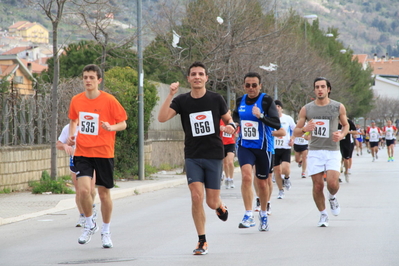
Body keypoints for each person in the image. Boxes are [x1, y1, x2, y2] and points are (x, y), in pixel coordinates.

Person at [158, 61, 233, 255]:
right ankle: (202, 241)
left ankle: (219, 205)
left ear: (206, 78)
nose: (197, 77)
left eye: (201, 74)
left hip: (214, 154)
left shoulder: (216, 99)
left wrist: (231, 126)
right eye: (193, 74)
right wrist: (170, 94)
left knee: (210, 202)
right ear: (188, 79)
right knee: (196, 196)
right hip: (192, 155)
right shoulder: (182, 100)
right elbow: (162, 118)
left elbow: (228, 119)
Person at [67, 64, 127, 248]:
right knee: (83, 191)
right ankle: (90, 223)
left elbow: (123, 123)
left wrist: (111, 127)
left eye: (92, 77)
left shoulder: (109, 100)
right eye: (85, 77)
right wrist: (72, 135)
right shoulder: (76, 100)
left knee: (104, 193)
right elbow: (73, 120)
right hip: (83, 152)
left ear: (99, 80)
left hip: (104, 152)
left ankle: (106, 230)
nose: (88, 81)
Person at [294, 77, 349, 227]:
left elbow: (346, 125)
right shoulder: (307, 109)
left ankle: (332, 197)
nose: (320, 89)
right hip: (315, 151)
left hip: (332, 150)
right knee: (317, 186)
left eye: (323, 87)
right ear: (314, 90)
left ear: (328, 89)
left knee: (332, 183)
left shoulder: (338, 107)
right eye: (317, 87)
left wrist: (342, 135)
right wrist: (305, 129)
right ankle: (323, 214)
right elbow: (296, 131)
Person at [232, 72, 281, 232]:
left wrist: (261, 116)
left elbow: (276, 123)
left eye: (254, 85)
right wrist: (233, 125)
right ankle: (248, 214)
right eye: (248, 85)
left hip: (262, 148)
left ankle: (264, 213)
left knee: (262, 183)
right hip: (245, 145)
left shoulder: (266, 100)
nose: (251, 88)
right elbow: (235, 117)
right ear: (244, 86)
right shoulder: (240, 101)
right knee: (246, 176)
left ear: (260, 86)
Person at [56, 124, 97, 227]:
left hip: (90, 160)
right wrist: (65, 146)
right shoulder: (68, 128)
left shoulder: (91, 125)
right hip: (75, 160)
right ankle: (83, 215)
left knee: (91, 190)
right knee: (79, 191)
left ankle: (91, 208)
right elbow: (58, 144)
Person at [273, 100, 296, 199]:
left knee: (285, 168)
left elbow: (295, 130)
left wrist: (292, 139)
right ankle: (280, 190)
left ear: (281, 108)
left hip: (285, 146)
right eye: (275, 106)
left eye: (279, 106)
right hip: (274, 148)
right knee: (277, 171)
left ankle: (287, 178)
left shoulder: (288, 118)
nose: (277, 108)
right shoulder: (270, 119)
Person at [220, 111, 236, 189]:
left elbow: (236, 133)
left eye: (229, 114)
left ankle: (231, 179)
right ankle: (227, 178)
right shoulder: (220, 121)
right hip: (222, 144)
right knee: (225, 163)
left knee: (230, 162)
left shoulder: (233, 122)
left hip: (231, 143)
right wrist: (221, 128)